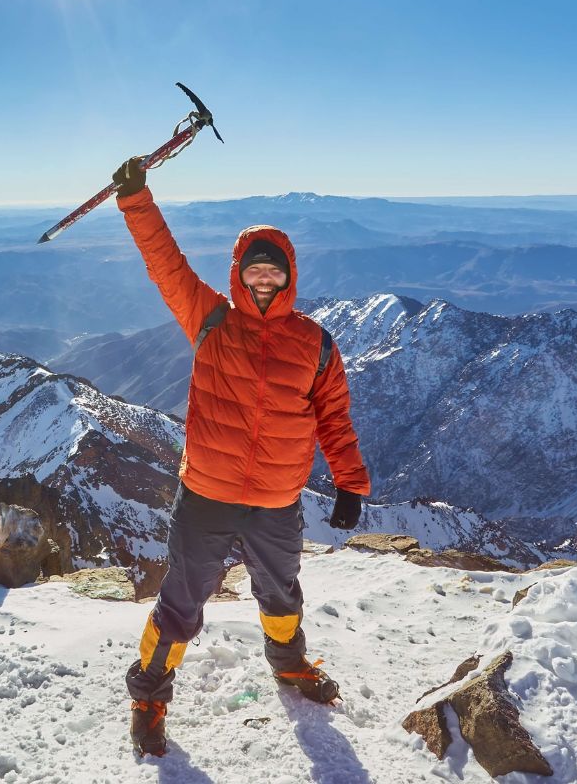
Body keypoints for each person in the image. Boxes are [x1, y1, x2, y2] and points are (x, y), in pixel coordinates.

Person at [111, 156, 371, 757]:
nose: (264, 278)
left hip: (277, 500)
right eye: (255, 268)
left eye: (273, 270)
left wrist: (350, 483)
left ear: (289, 276)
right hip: (207, 493)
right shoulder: (210, 320)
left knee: (281, 594)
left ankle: (290, 664)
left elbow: (333, 418)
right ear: (239, 273)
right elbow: (165, 265)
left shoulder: (315, 343)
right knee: (181, 602)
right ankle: (148, 697)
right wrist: (136, 201)